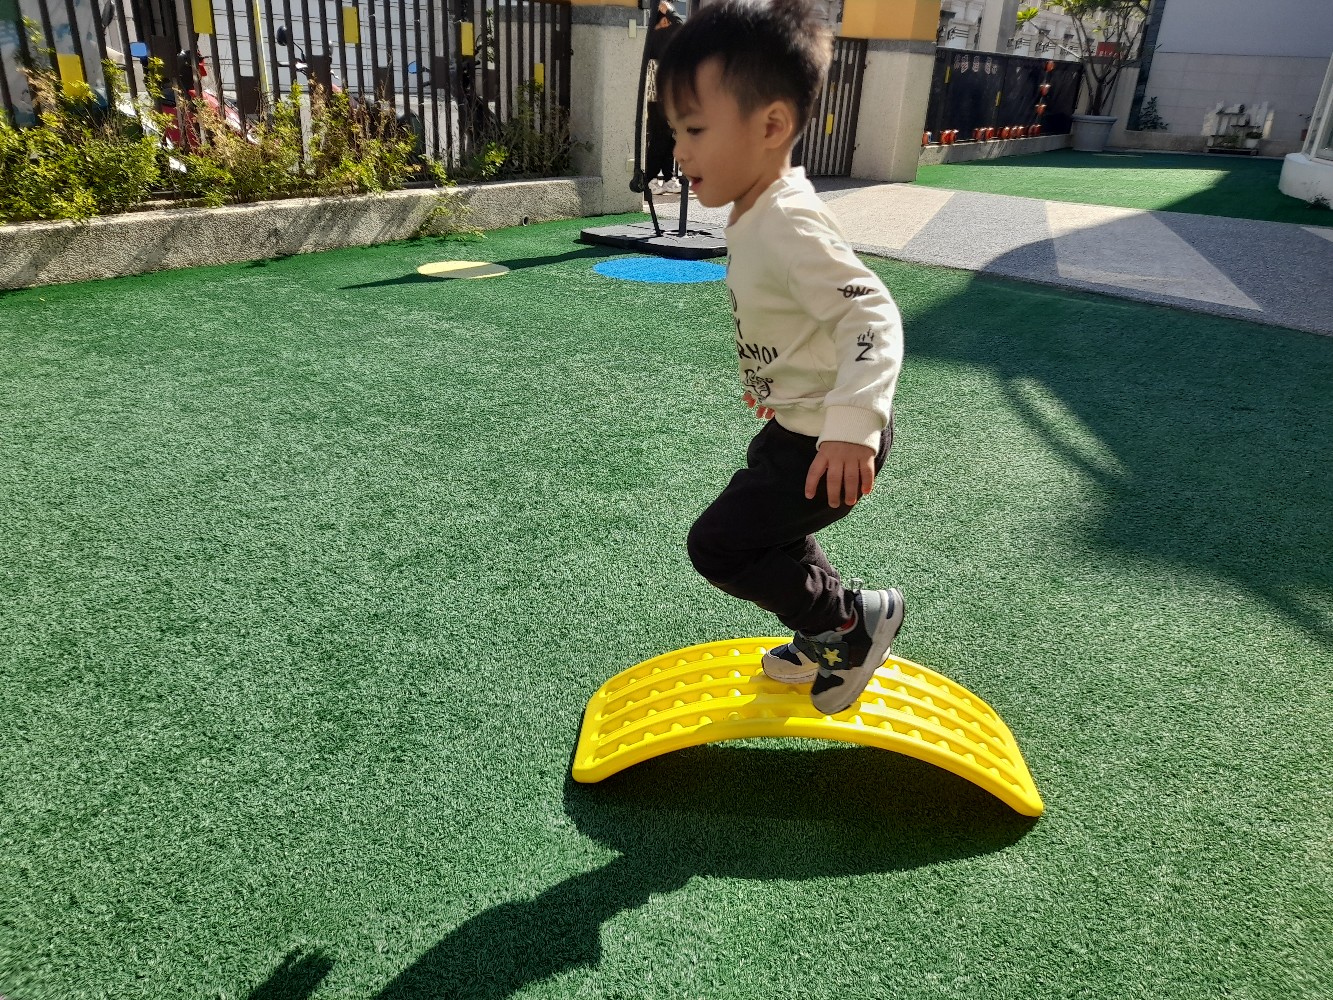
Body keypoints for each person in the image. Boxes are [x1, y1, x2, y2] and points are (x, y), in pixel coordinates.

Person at [658, 0, 906, 715]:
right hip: (796, 424)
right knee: (776, 537)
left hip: (828, 437)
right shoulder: (759, 212)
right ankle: (830, 626)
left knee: (719, 546)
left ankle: (844, 627)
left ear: (770, 126)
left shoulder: (785, 221)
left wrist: (852, 424)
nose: (681, 151)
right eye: (675, 131)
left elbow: (870, 312)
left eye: (695, 129)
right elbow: (799, 317)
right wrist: (780, 381)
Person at [644, 1, 684, 195]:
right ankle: (650, 178)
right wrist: (668, 9)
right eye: (666, 20)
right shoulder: (655, 36)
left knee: (669, 133)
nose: (669, 23)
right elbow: (680, 25)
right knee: (661, 133)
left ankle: (668, 177)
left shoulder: (660, 35)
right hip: (658, 92)